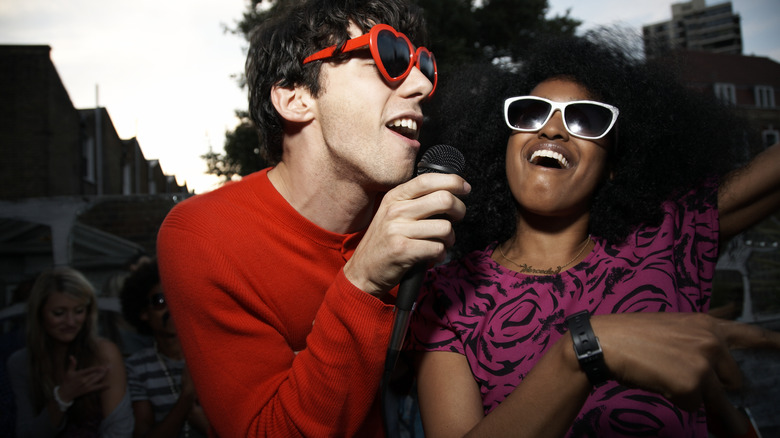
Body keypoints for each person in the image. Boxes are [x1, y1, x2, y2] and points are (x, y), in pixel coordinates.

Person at [408, 35, 780, 437]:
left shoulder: (666, 237)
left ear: (613, 166)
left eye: (586, 119)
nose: (552, 130)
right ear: (504, 146)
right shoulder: (448, 297)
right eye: (531, 114)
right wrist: (582, 351)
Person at [155, 0, 468, 436]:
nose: (420, 84)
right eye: (389, 56)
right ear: (296, 98)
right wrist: (363, 282)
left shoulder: (422, 225)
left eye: (425, 65)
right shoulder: (204, 237)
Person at [6, 267, 133, 437]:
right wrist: (62, 397)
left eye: (79, 311)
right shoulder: (21, 362)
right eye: (59, 313)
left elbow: (119, 429)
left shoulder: (103, 353)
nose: (71, 322)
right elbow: (26, 433)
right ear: (39, 313)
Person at [120, 259, 209, 437]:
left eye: (178, 298)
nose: (172, 308)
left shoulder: (212, 357)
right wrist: (186, 397)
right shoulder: (136, 368)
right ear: (143, 312)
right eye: (160, 301)